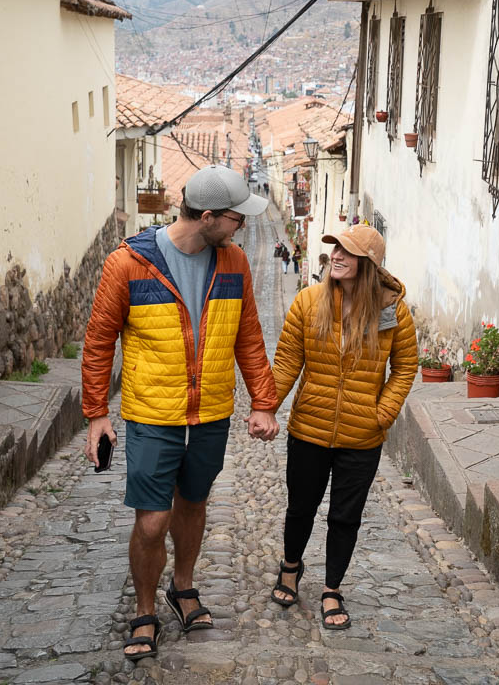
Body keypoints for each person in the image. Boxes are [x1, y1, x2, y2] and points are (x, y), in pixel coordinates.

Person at [83, 165, 280, 661]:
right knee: (152, 521)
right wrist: (96, 414)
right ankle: (144, 612)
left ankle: (183, 586)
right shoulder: (127, 264)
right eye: (237, 219)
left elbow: (249, 336)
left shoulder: (233, 262)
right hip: (153, 413)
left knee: (193, 504)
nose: (243, 227)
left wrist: (262, 402)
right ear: (208, 216)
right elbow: (99, 341)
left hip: (211, 411)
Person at [267, 225, 417, 630]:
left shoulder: (392, 311)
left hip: (361, 437)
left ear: (367, 265)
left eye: (347, 252)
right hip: (309, 430)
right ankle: (290, 566)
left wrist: (379, 415)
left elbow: (405, 369)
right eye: (335, 247)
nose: (336, 254)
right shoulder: (307, 301)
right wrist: (266, 408)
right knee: (300, 507)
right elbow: (285, 365)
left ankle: (332, 588)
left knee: (345, 516)